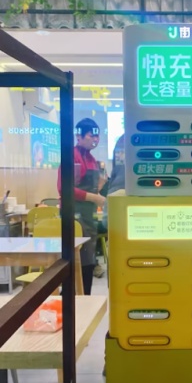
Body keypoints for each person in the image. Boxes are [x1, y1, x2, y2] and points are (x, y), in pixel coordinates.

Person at [60, 118, 105, 295]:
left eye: (97, 136)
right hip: (74, 216)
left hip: (89, 217)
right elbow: (65, 188)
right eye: (91, 136)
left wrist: (99, 187)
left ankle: (85, 299)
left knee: (88, 261)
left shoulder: (92, 159)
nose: (95, 139)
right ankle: (69, 302)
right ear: (79, 136)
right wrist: (94, 197)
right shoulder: (72, 157)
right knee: (73, 262)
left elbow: (90, 186)